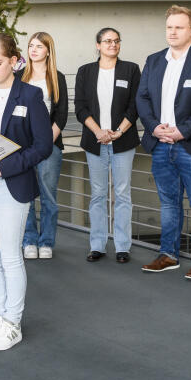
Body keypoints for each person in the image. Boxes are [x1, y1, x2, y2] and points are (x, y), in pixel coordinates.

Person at [0, 33, 53, 352]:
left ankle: (12, 321)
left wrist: (4, 167)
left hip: (11, 184)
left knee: (9, 254)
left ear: (15, 60)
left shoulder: (31, 95)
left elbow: (42, 146)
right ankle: (0, 315)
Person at [135, 5, 191, 278]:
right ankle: (168, 254)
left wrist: (182, 131)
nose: (173, 32)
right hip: (161, 143)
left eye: (179, 27)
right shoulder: (154, 60)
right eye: (169, 27)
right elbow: (142, 98)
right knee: (168, 202)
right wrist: (154, 128)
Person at [73, 27, 140, 263]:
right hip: (95, 141)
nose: (113, 44)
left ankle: (122, 247)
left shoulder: (130, 69)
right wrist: (99, 132)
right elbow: (80, 107)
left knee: (122, 194)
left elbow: (135, 106)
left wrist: (118, 132)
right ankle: (97, 245)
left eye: (116, 40)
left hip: (123, 141)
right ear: (98, 45)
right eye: (107, 41)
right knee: (98, 194)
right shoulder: (86, 72)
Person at [21, 31, 68, 259]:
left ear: (48, 50)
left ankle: (46, 241)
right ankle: (29, 240)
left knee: (49, 196)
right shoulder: (20, 76)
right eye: (31, 46)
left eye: (39, 46)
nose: (34, 50)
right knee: (26, 195)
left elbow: (61, 115)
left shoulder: (57, 78)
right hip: (23, 147)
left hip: (49, 146)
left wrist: (45, 143)